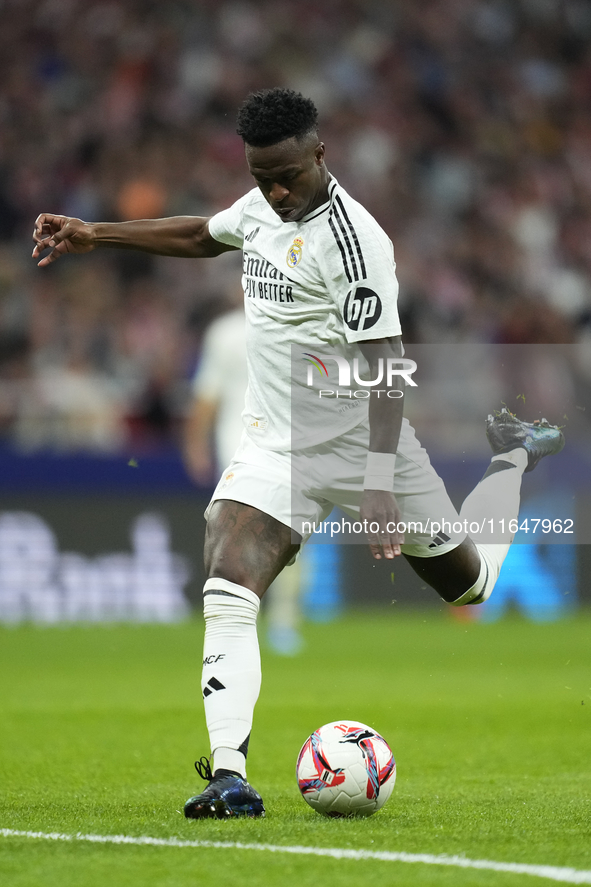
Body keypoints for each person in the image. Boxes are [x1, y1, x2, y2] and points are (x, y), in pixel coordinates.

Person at [32, 88, 564, 820]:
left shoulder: (356, 243)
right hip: (276, 443)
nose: (276, 191)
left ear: (320, 153)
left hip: (366, 442)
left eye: (287, 174)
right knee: (228, 580)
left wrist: (378, 482)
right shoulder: (260, 208)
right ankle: (228, 774)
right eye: (261, 177)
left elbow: (385, 363)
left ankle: (510, 463)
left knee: (467, 587)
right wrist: (98, 233)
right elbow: (200, 236)